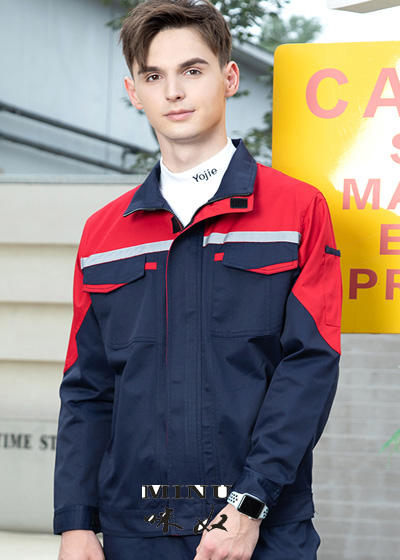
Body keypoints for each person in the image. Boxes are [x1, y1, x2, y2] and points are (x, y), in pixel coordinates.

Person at [53, 1, 342, 559]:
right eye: (153, 76)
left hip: (262, 529)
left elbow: (309, 366)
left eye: (192, 70)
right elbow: (88, 388)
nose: (173, 92)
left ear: (229, 78)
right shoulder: (104, 233)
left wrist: (249, 503)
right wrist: (76, 521)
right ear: (134, 93)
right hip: (136, 530)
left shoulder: (297, 211)